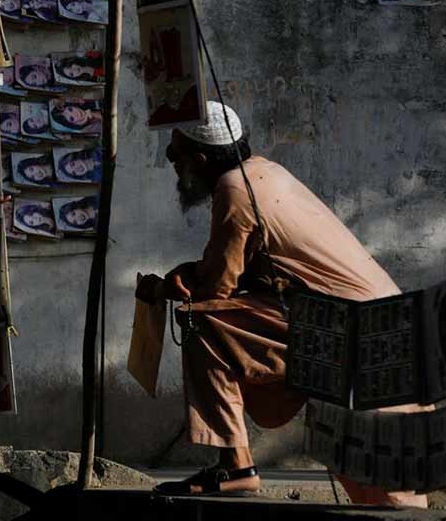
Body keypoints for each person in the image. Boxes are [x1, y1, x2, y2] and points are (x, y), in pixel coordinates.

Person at [135, 101, 430, 506]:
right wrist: (194, 272)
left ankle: (236, 466)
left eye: (176, 152)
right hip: (375, 322)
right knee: (374, 482)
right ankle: (237, 464)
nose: (170, 160)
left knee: (200, 321)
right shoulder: (265, 172)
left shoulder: (234, 190)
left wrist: (171, 286)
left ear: (199, 159)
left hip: (348, 328)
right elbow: (252, 268)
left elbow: (217, 290)